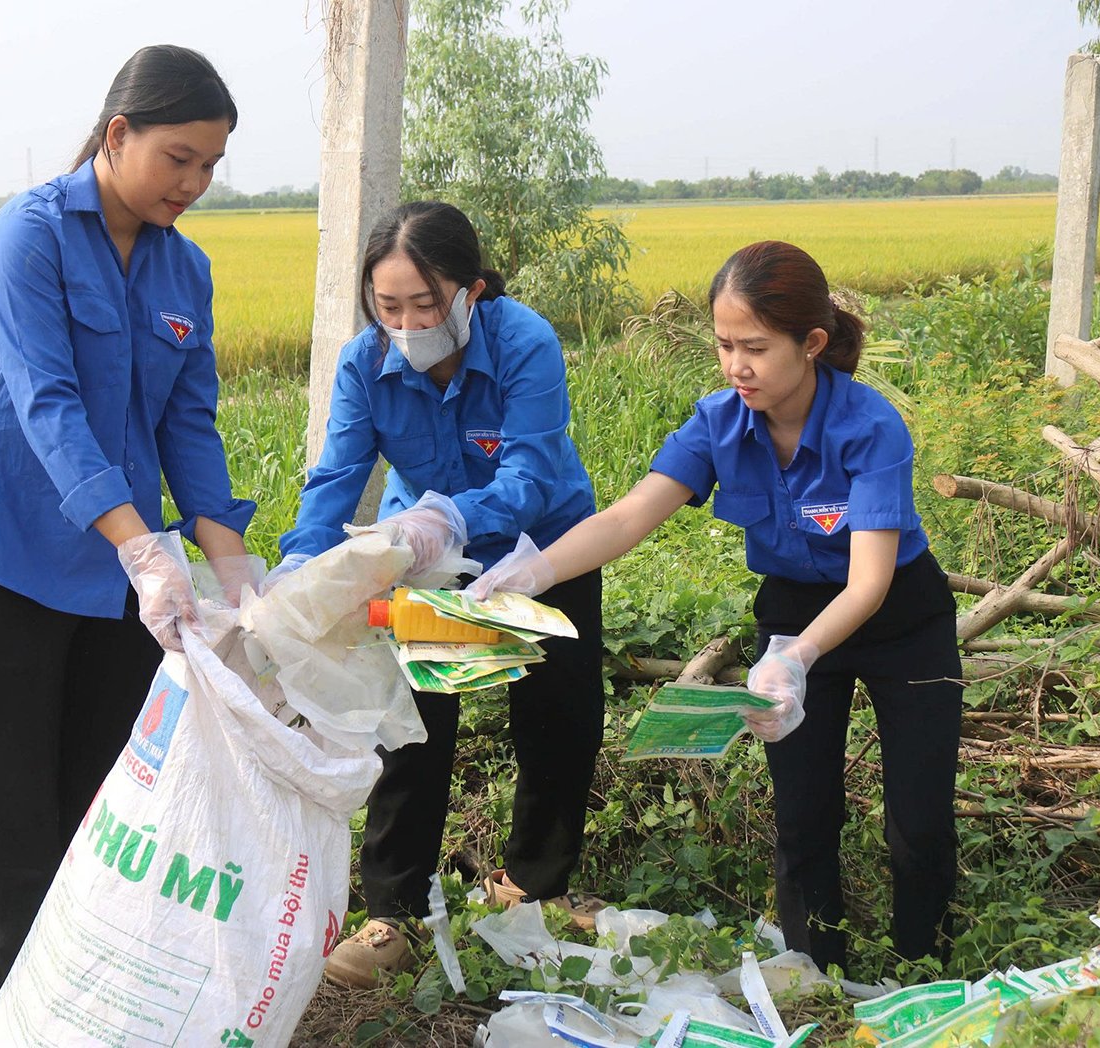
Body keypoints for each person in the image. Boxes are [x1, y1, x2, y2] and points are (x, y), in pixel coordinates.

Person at [470, 240, 963, 973]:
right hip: (792, 612)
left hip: (901, 620)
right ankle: (813, 969)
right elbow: (630, 516)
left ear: (813, 343)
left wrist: (798, 657)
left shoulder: (870, 427)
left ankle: (927, 966)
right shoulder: (717, 423)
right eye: (725, 345)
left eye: (756, 348)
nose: (737, 366)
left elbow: (868, 583)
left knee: (918, 820)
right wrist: (534, 572)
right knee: (802, 813)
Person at [0, 45, 255, 988]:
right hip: (12, 558)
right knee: (19, 808)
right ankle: (25, 1008)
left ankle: (98, 993)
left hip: (126, 574)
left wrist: (230, 562)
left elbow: (187, 421)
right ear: (118, 135)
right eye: (179, 158)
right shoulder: (24, 238)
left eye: (210, 166)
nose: (194, 183)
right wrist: (143, 552)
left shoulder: (182, 270)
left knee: (108, 799)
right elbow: (48, 407)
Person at [276, 201, 607, 988]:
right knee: (415, 728)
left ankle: (534, 884)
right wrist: (296, 565)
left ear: (472, 292)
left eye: (425, 304)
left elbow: (529, 472)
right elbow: (337, 477)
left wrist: (456, 510)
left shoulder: (523, 341)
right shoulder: (366, 363)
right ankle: (394, 910)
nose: (407, 322)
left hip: (543, 551)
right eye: (388, 306)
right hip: (426, 559)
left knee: (557, 719)